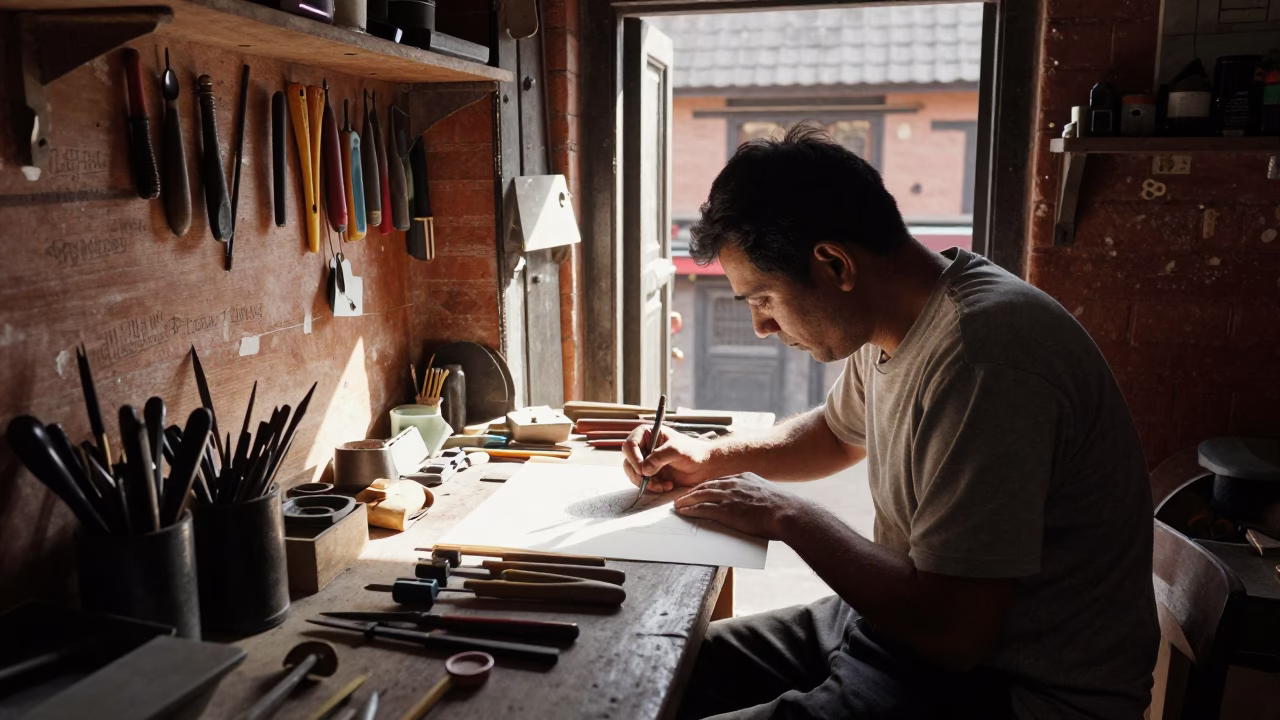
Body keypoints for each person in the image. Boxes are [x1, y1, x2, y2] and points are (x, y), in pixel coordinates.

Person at [622, 124, 1158, 719]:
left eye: (763, 299)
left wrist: (788, 514)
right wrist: (710, 455)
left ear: (834, 264)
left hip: (1011, 686)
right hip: (908, 632)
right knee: (645, 664)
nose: (762, 327)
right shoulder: (896, 319)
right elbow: (835, 434)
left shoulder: (984, 357)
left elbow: (957, 634)